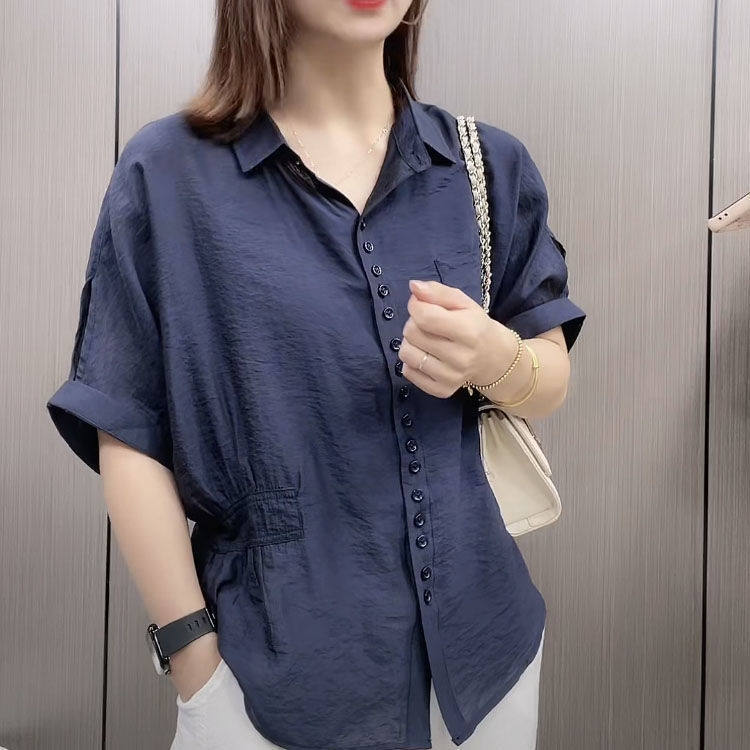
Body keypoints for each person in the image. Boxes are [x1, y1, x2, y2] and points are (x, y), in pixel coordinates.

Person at [46, 0, 586, 748]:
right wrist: (196, 666)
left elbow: (549, 376)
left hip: (489, 662)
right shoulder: (167, 174)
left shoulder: (486, 165)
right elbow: (126, 428)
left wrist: (496, 358)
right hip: (270, 686)